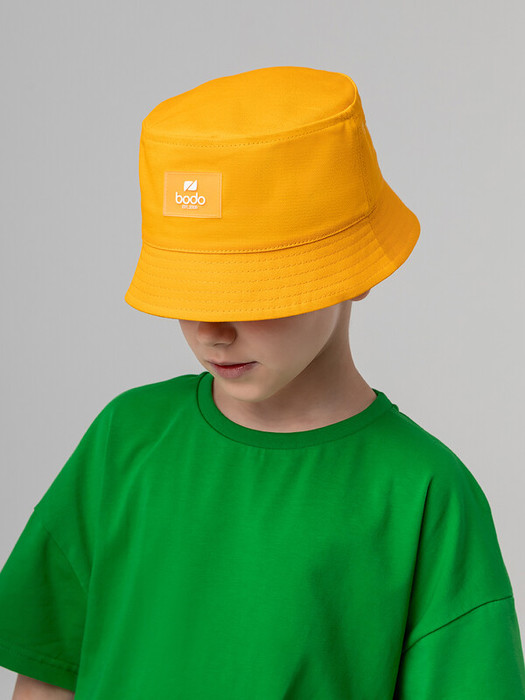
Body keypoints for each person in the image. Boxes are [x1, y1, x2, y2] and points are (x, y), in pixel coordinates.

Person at [1, 66, 524, 699]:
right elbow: (47, 673)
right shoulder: (126, 440)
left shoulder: (423, 493)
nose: (212, 331)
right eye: (189, 294)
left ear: (354, 272)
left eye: (251, 294)